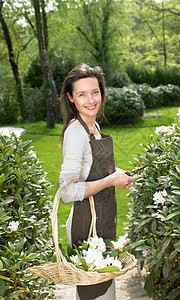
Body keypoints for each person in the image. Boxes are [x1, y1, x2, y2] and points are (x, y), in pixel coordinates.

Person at [59, 63, 134, 300]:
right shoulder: (76, 133)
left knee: (106, 291)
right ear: (71, 98)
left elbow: (92, 170)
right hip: (87, 227)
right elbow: (68, 191)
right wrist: (111, 179)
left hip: (102, 222)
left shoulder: (93, 125)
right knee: (97, 295)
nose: (91, 100)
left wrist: (116, 174)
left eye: (95, 91)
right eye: (82, 94)